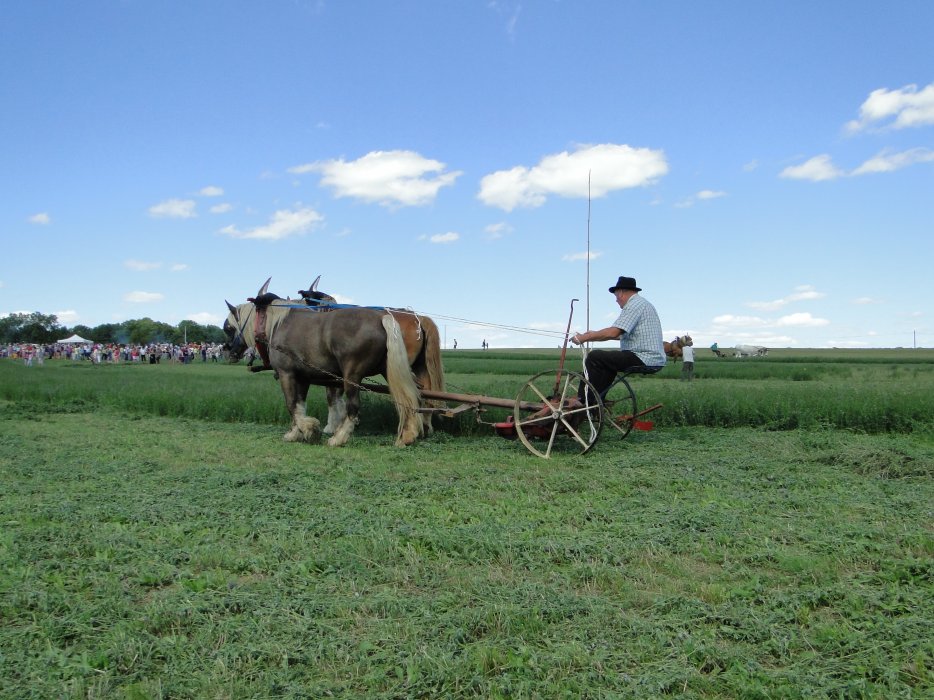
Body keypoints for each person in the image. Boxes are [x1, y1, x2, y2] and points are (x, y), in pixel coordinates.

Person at [570, 276, 666, 401]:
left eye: (616, 296)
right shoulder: (642, 304)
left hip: (644, 357)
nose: (616, 300)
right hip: (651, 357)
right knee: (608, 362)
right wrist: (593, 334)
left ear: (621, 292)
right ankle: (596, 401)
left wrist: (584, 337)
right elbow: (621, 334)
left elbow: (613, 332)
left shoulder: (634, 305)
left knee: (595, 357)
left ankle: (582, 401)